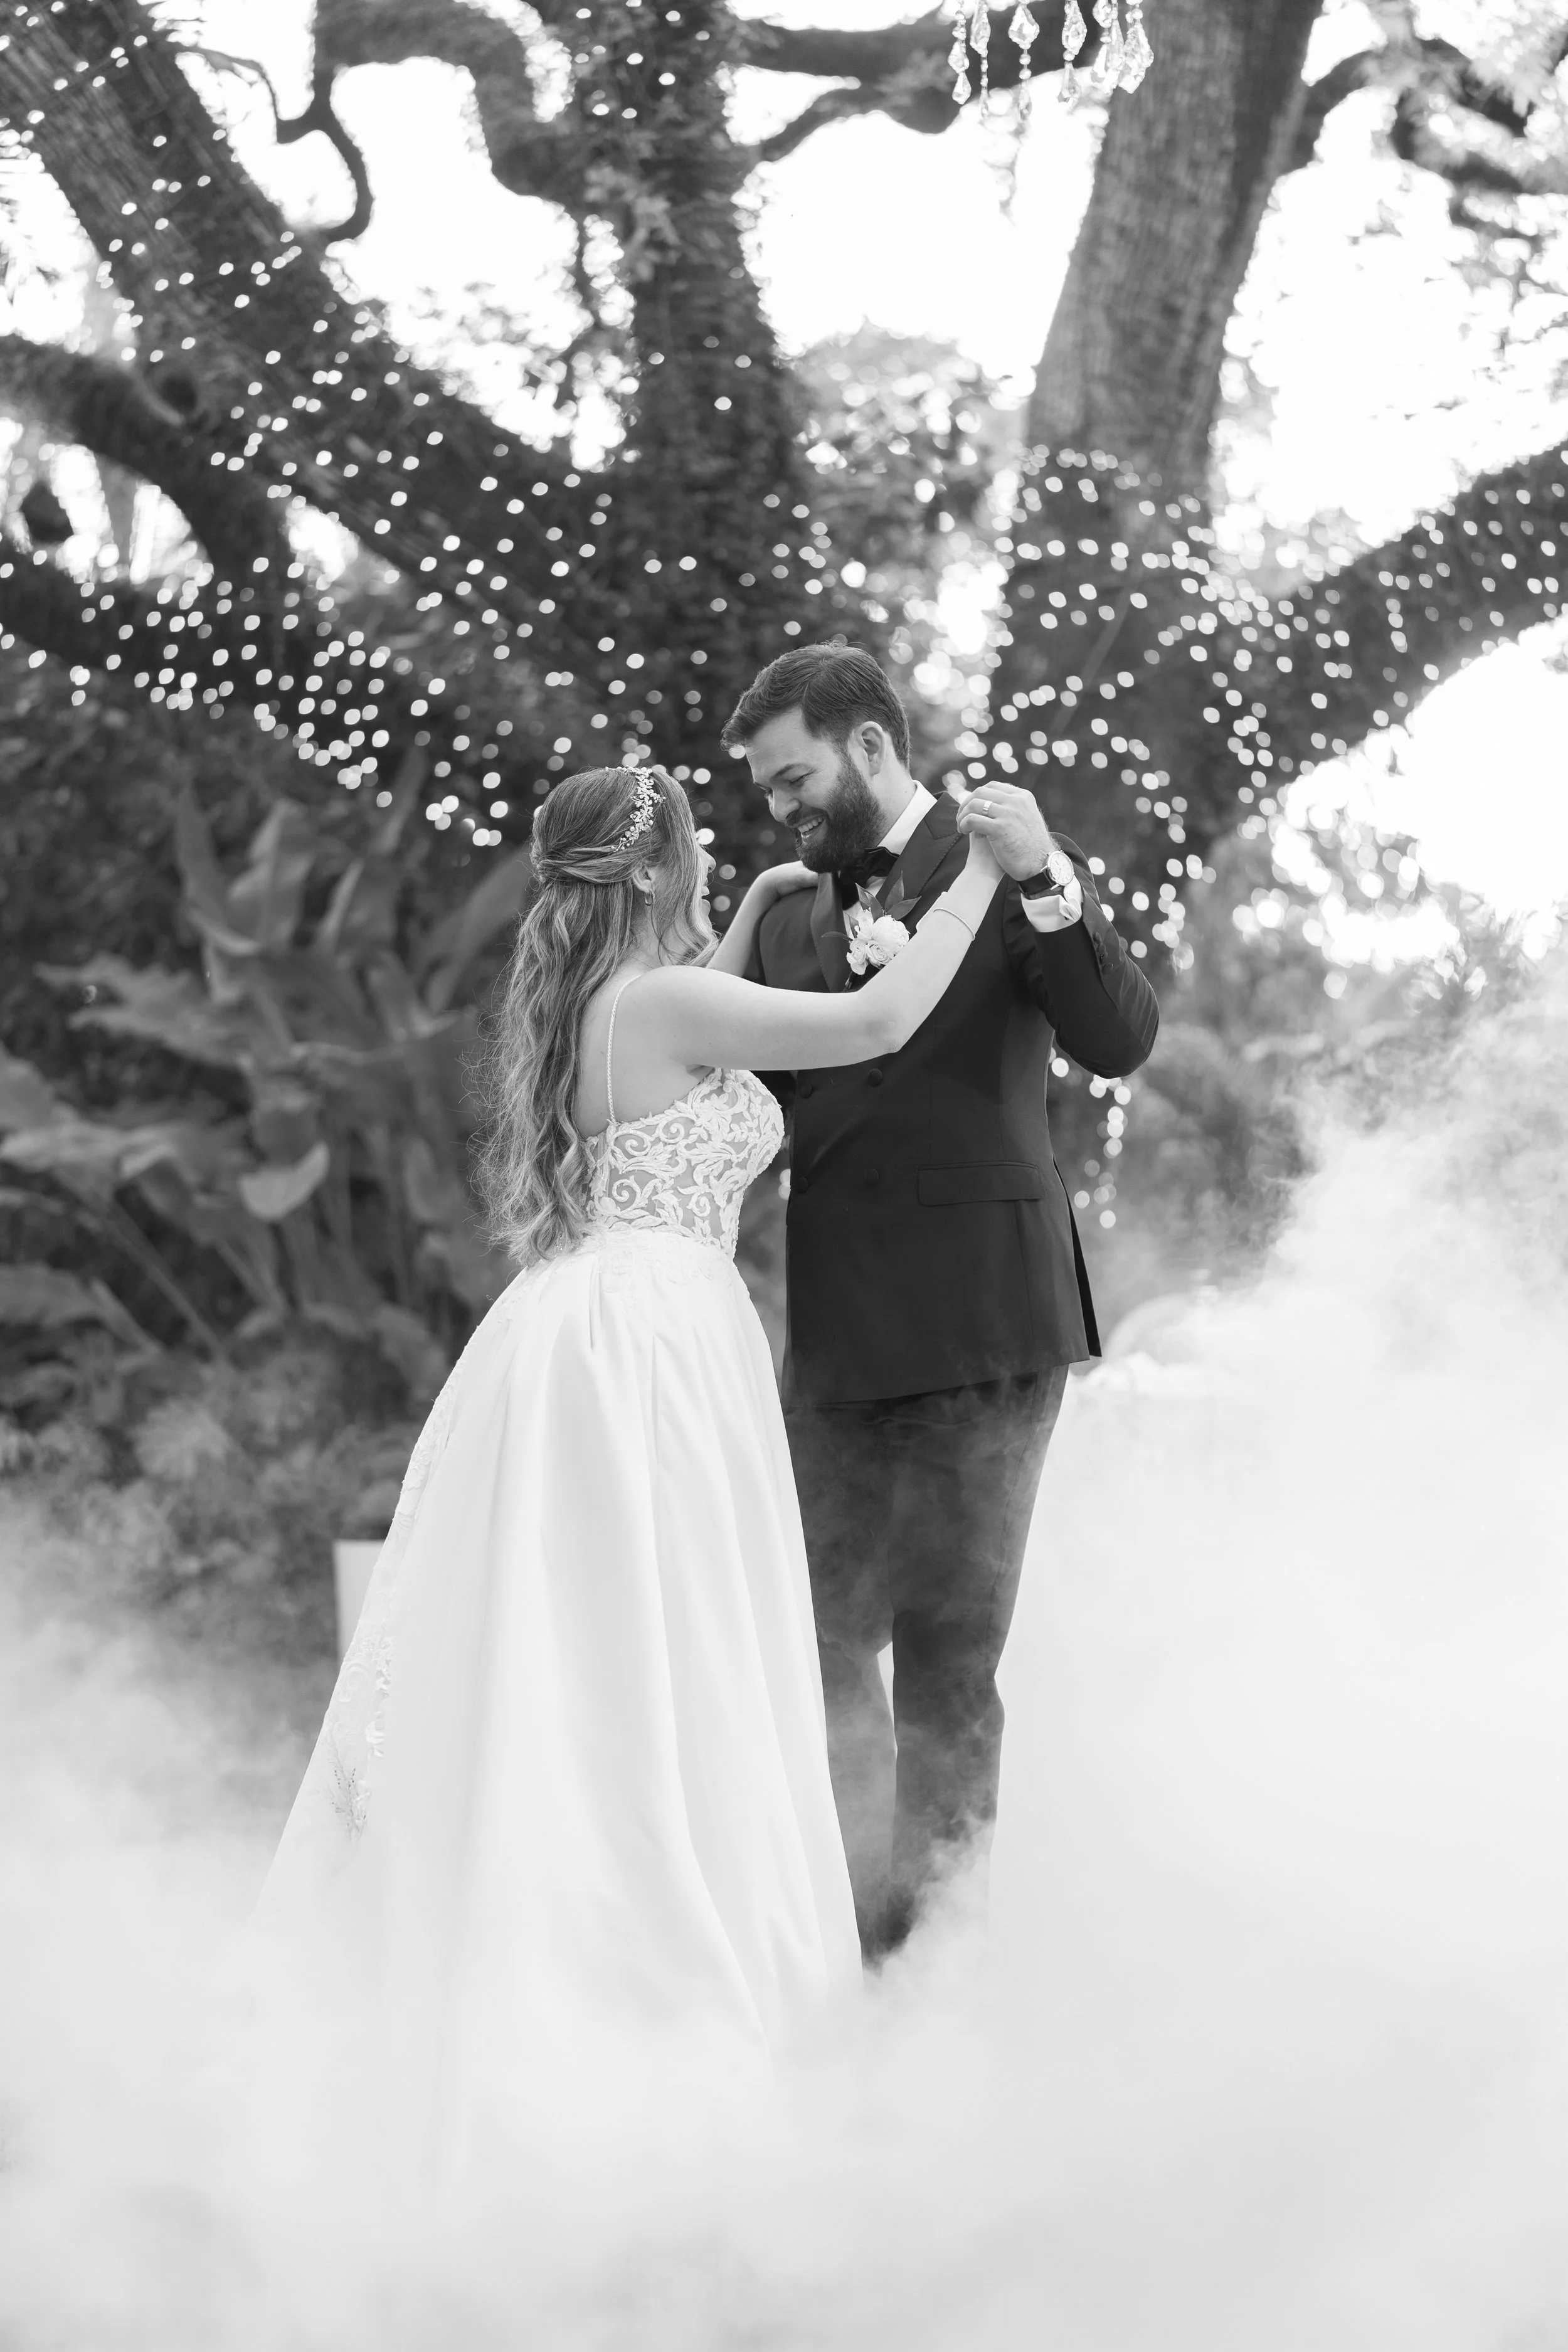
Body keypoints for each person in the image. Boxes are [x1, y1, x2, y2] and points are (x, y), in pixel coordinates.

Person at [256, 760, 1007, 2144]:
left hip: (591, 1330)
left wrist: (750, 911)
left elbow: (682, 1063)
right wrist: (978, 875)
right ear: (654, 873)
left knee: (615, 1645)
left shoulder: (599, 1008)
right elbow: (883, 1015)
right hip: (654, 1347)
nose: (721, 870)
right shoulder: (659, 1004)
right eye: (702, 859)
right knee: (665, 1640)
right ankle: (644, 1970)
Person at [723, 644, 1160, 1957]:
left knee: (949, 1668)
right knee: (811, 1640)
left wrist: (1039, 878)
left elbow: (1116, 1040)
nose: (780, 808)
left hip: (985, 1325)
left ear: (867, 747)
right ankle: (844, 1938)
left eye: (793, 776)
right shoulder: (794, 910)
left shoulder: (1003, 859)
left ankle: (933, 1981)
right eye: (763, 787)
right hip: (838, 1338)